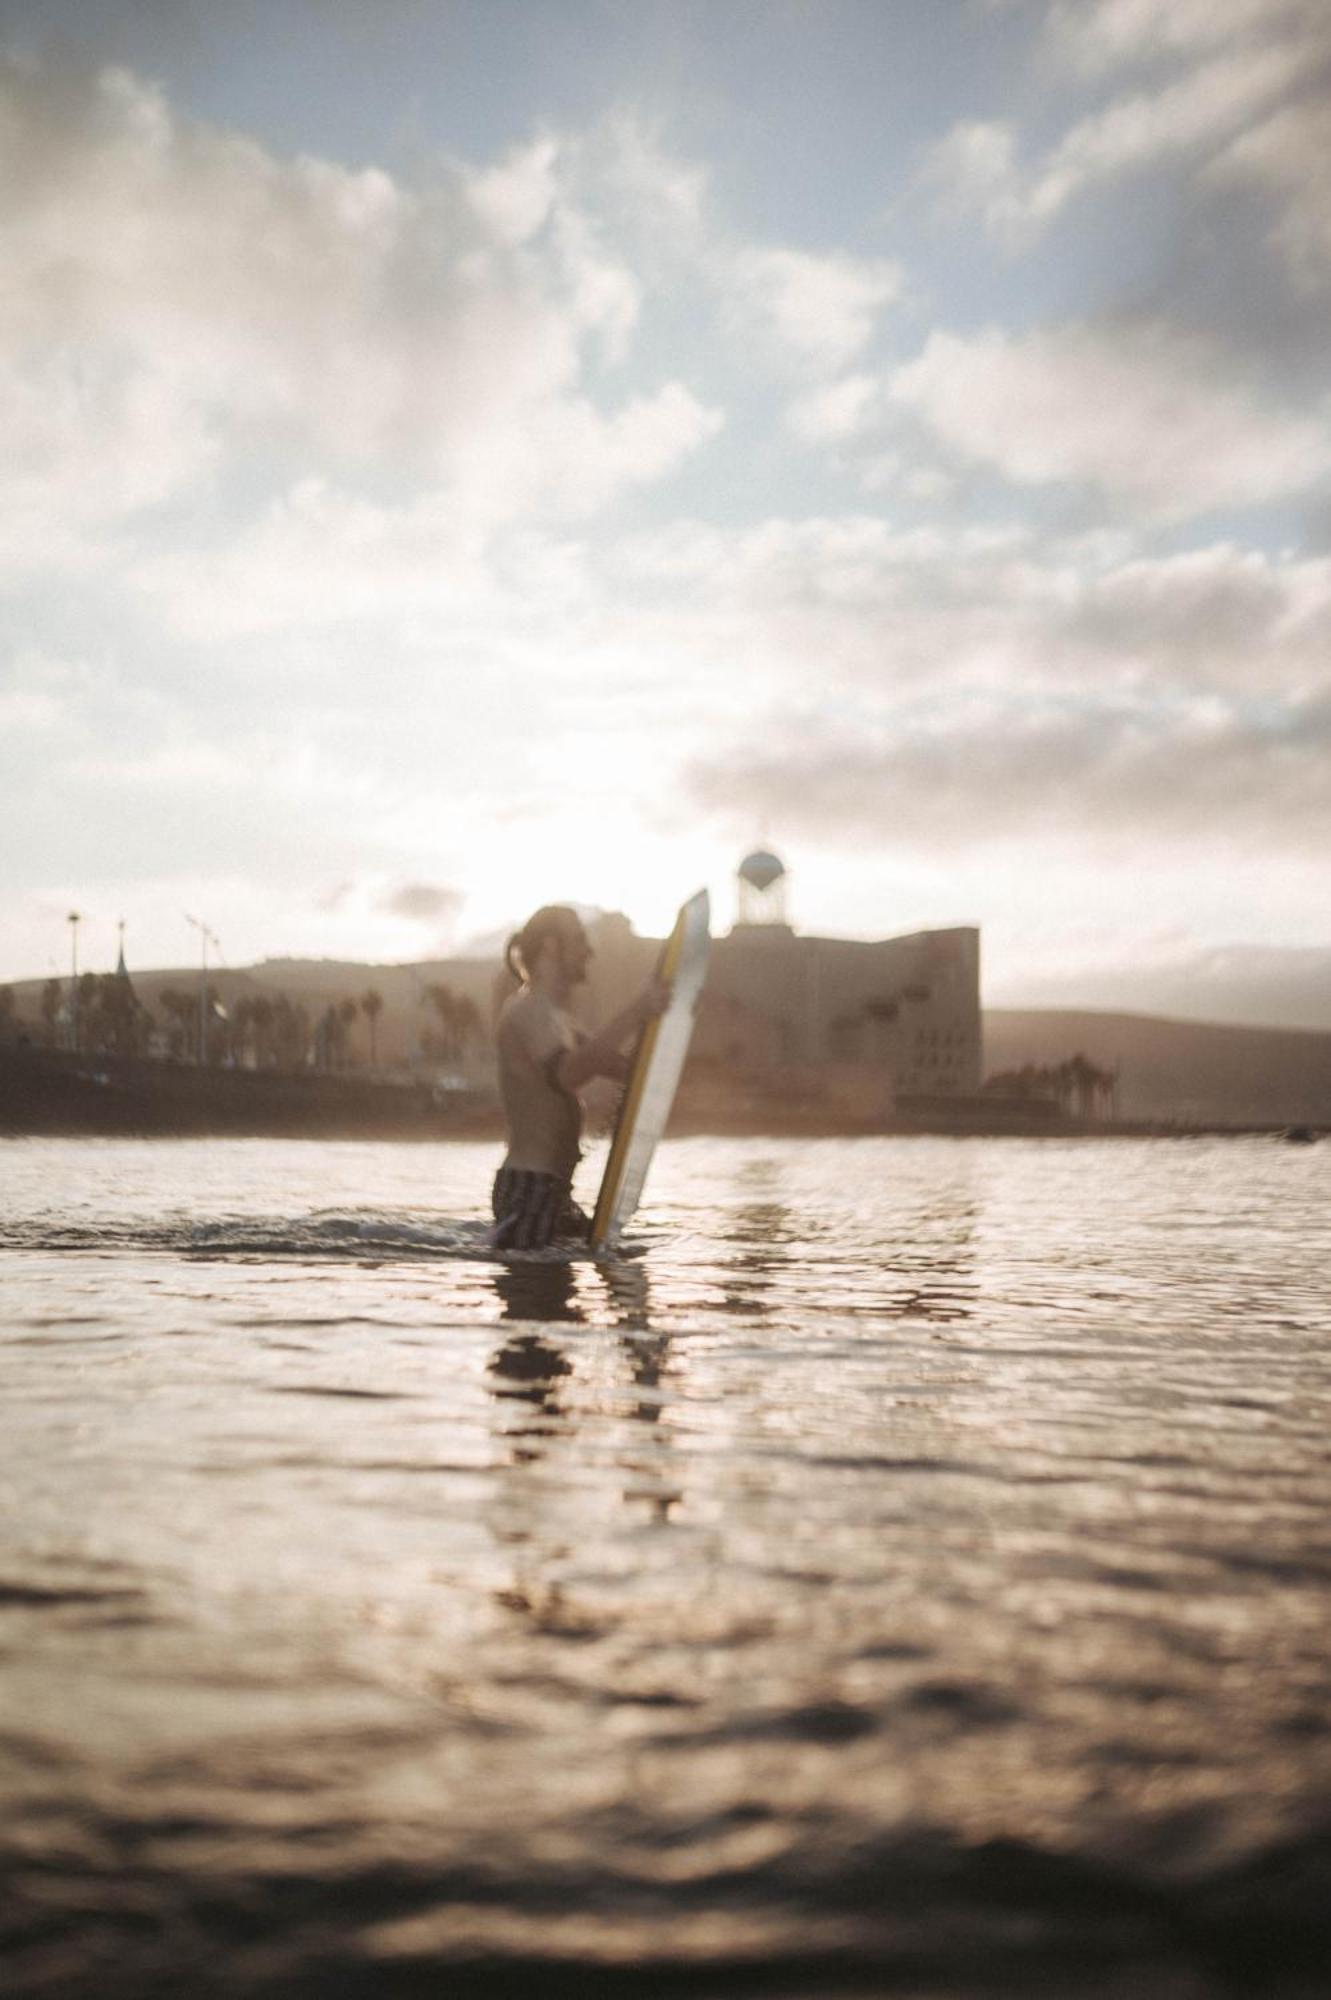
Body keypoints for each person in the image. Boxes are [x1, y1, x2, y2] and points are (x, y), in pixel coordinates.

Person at [491, 905, 668, 1251]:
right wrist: (636, 1011)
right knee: (542, 1300)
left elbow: (617, 1066)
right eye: (580, 940)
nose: (590, 950)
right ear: (551, 947)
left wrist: (664, 1032)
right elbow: (569, 1073)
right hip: (530, 1189)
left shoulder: (560, 1020)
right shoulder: (526, 1011)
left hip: (554, 1192)